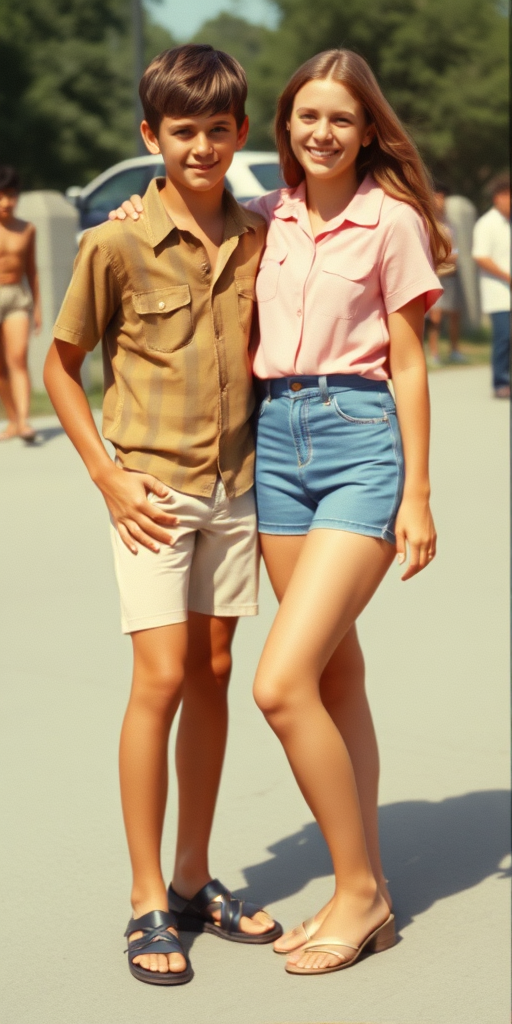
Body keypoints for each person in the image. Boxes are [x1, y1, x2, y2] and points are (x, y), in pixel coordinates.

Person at [114, 46, 445, 979]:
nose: (323, 132)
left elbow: (412, 362)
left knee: (278, 683)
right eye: (308, 116)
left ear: (368, 128)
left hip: (358, 442)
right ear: (286, 127)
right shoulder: (267, 218)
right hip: (277, 449)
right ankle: (366, 884)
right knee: (336, 677)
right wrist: (145, 193)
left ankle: (359, 890)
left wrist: (417, 491)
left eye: (342, 118)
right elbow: (186, 195)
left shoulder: (395, 223)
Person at [43, 44, 282, 987]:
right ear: (152, 136)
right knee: (162, 674)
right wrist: (105, 476)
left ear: (239, 132)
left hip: (235, 487)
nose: (201, 146)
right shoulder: (115, 240)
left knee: (216, 668)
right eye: (182, 131)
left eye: (218, 129)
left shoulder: (262, 232)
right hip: (149, 490)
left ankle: (192, 880)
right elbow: (60, 367)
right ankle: (146, 897)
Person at [0, 165, 41, 441]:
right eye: (1, 195)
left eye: (12, 195)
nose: (6, 202)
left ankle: (24, 421)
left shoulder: (26, 229)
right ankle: (12, 420)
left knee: (18, 358)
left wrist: (37, 307)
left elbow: (32, 270)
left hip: (16, 297)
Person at [472, 173, 511, 398]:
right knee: (504, 338)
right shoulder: (487, 223)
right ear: (497, 197)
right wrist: (507, 277)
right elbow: (480, 256)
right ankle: (501, 383)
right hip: (498, 294)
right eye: (507, 196)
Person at [425, 183, 465, 367]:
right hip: (437, 275)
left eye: (443, 197)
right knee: (436, 317)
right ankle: (434, 353)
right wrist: (443, 259)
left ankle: (454, 350)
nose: (441, 201)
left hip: (451, 275)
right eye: (437, 196)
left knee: (454, 314)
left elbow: (454, 248)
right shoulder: (428, 223)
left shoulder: (449, 223)